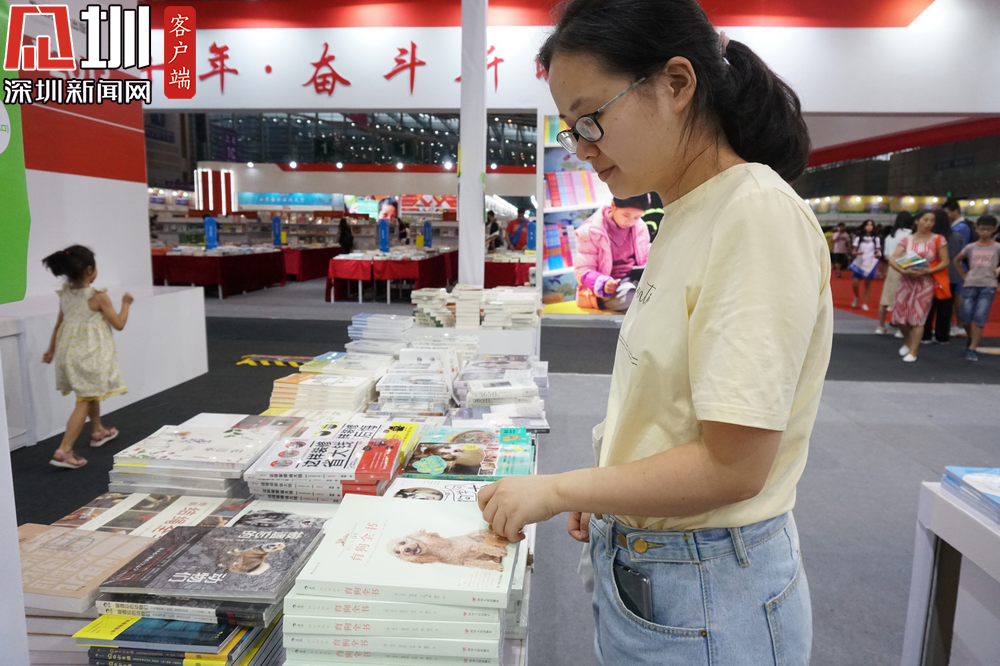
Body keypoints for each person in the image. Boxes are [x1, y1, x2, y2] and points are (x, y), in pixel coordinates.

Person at [479, 3, 830, 664]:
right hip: (663, 568)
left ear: (676, 83)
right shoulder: (685, 212)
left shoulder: (753, 214)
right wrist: (612, 484)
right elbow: (674, 407)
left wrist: (562, 488)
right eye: (571, 129)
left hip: (706, 586)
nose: (583, 147)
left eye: (591, 118)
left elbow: (734, 464)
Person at [41, 245, 131, 469]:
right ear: (90, 270)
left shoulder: (65, 294)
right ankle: (64, 450)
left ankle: (98, 430)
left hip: (68, 353)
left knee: (88, 394)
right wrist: (126, 304)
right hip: (89, 354)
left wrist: (51, 350)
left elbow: (59, 324)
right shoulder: (97, 297)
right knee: (84, 400)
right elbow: (119, 323)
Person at [574, 194, 653, 312]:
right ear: (613, 206)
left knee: (657, 294)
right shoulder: (590, 231)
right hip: (607, 289)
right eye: (626, 215)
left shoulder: (640, 227)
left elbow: (646, 256)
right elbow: (583, 270)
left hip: (633, 281)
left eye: (636, 217)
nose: (630, 221)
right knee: (636, 299)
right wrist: (603, 283)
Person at [889, 211, 949, 362]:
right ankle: (908, 342)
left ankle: (913, 351)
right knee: (900, 318)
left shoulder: (938, 239)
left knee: (918, 317)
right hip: (906, 282)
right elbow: (893, 258)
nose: (929, 223)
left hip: (925, 283)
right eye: (925, 219)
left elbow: (945, 261)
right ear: (917, 221)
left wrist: (929, 271)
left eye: (932, 220)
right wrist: (903, 270)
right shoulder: (906, 239)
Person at [954, 216, 1000, 361]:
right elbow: (957, 260)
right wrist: (963, 274)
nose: (985, 232)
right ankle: (970, 336)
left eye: (988, 229)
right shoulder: (970, 247)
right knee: (964, 316)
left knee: (980, 317)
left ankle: (972, 347)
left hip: (988, 285)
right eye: (982, 229)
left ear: (994, 230)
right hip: (970, 284)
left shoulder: (997, 247)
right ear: (976, 229)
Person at [922, 209, 960, 344]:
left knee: (928, 307)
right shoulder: (956, 236)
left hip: (930, 273)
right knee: (946, 307)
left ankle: (925, 335)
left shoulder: (929, 238)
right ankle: (942, 336)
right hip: (951, 275)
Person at [877, 212, 913, 335]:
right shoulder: (911, 235)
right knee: (904, 299)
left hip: (892, 268)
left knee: (886, 298)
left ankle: (881, 326)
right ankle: (901, 329)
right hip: (906, 268)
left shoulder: (890, 236)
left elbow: (886, 256)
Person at [943, 198, 973, 337]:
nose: (946, 216)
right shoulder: (956, 227)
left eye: (947, 213)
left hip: (958, 266)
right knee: (953, 296)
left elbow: (960, 250)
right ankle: (955, 325)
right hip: (954, 265)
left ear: (955, 211)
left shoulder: (961, 228)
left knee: (957, 296)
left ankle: (960, 325)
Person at [849, 219, 881, 311]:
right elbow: (853, 252)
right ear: (864, 226)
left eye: (871, 225)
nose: (869, 227)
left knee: (868, 284)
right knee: (855, 283)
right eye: (867, 225)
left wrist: (877, 254)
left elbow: (878, 251)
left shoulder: (876, 239)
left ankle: (864, 303)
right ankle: (857, 296)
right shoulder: (859, 238)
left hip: (870, 263)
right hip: (860, 262)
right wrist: (858, 253)